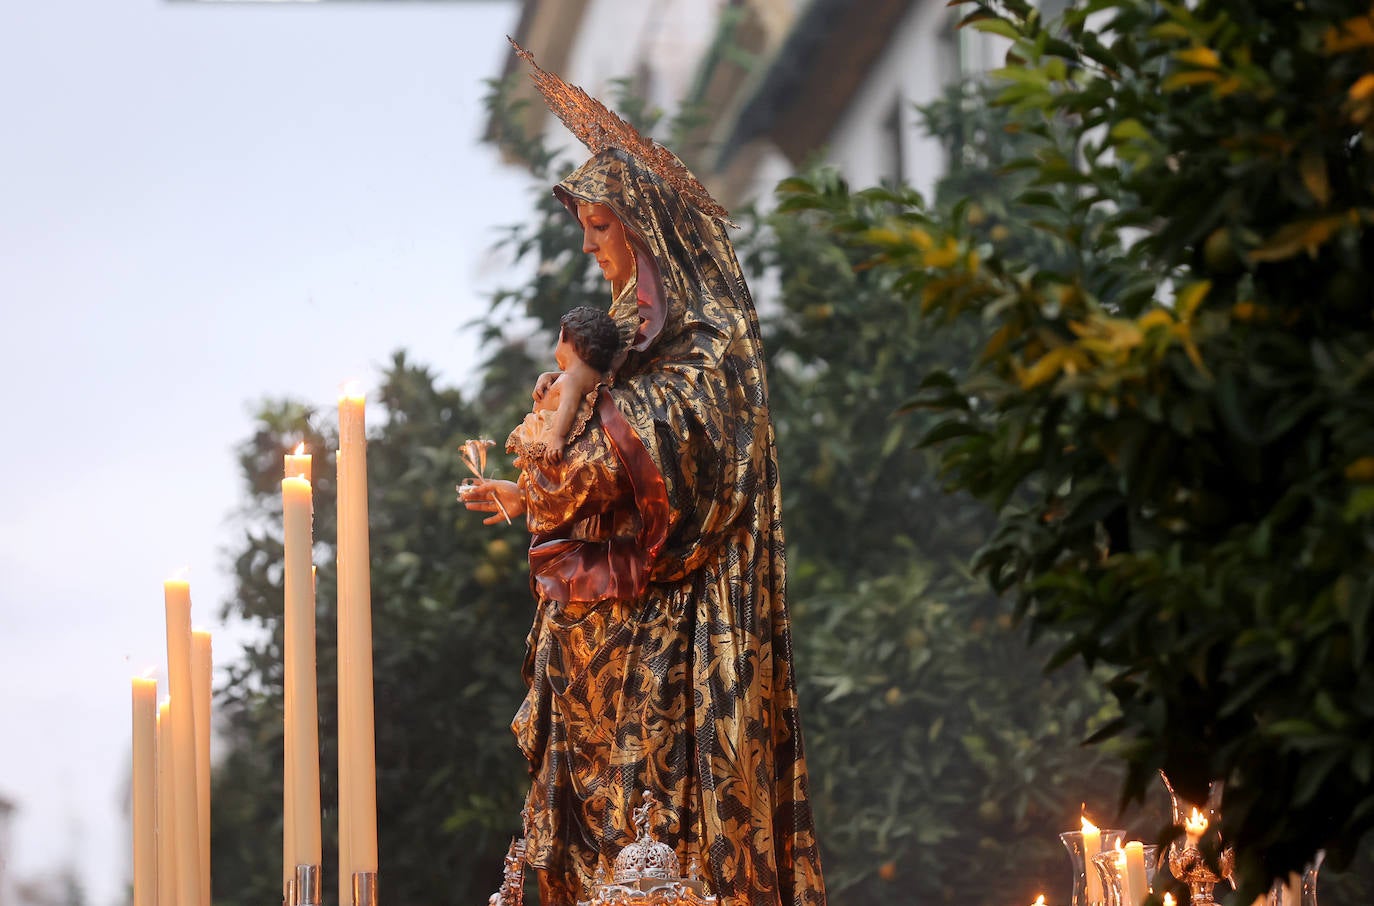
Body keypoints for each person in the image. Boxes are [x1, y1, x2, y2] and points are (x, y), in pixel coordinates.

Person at [463, 42, 826, 906]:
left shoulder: (705, 346)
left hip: (669, 632)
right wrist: (529, 492)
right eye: (585, 232)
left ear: (649, 228)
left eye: (603, 229)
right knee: (592, 845)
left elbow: (663, 463)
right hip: (588, 628)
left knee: (656, 841)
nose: (592, 250)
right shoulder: (617, 332)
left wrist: (557, 472)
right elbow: (580, 458)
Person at [519, 305, 620, 464]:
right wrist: (547, 376)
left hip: (546, 438)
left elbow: (568, 405)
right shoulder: (582, 378)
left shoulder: (570, 381)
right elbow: (571, 380)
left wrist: (557, 437)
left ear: (565, 336)